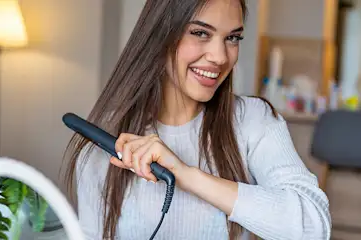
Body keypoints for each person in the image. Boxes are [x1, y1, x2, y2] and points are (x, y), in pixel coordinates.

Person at [63, 0, 331, 239]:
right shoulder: (107, 140)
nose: (220, 57)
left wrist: (186, 175)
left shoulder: (253, 121)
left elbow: (313, 227)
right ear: (160, 34)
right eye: (200, 33)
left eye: (233, 38)